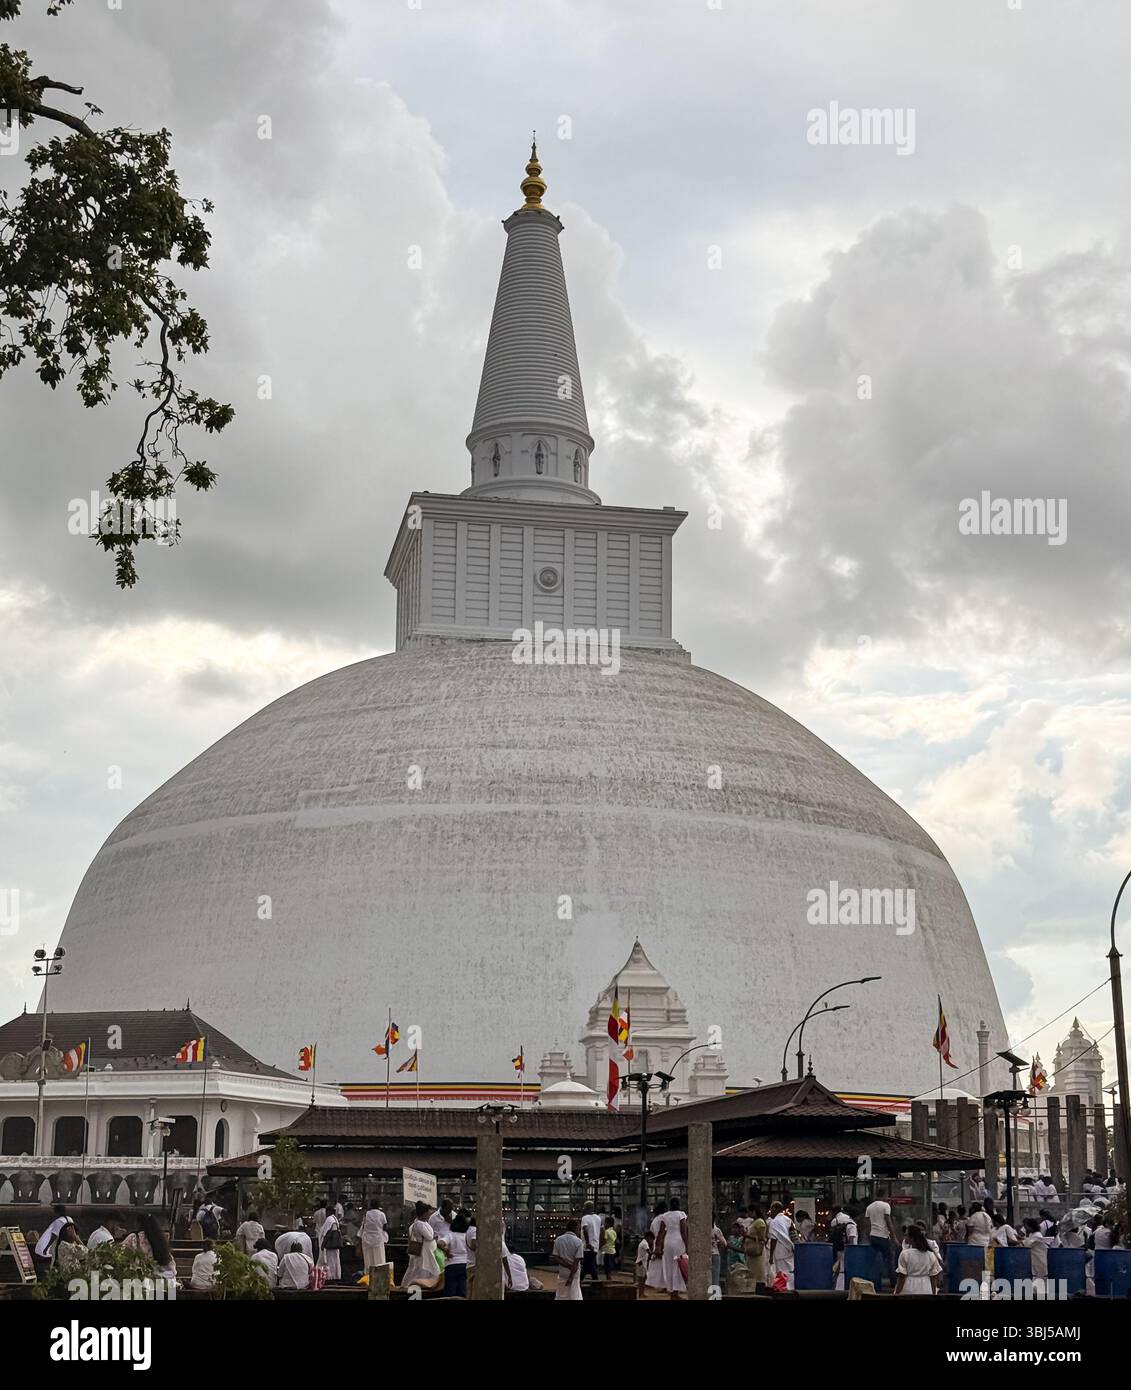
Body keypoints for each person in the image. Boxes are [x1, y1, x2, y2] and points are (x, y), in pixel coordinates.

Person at [895, 1225, 941, 1295]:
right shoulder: (931, 1255)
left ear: (912, 1238)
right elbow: (933, 1277)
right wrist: (934, 1293)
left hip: (909, 1289)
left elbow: (902, 1277)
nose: (905, 1237)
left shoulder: (905, 1254)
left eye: (906, 1235)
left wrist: (896, 1293)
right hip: (926, 1290)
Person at [655, 1202, 689, 1298]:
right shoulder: (681, 1214)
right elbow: (683, 1231)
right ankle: (675, 1292)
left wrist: (658, 1246)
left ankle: (671, 1291)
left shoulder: (665, 1215)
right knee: (678, 1266)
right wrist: (687, 1245)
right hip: (678, 1242)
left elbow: (661, 1232)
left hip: (668, 1242)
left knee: (669, 1266)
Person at [403, 1200, 440, 1287]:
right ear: (423, 1213)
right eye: (427, 1212)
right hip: (424, 1250)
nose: (428, 1214)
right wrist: (434, 1236)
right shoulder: (419, 1224)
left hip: (429, 1250)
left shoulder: (424, 1222)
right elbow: (429, 1237)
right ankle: (416, 1284)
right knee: (422, 1268)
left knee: (427, 1267)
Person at [864, 1193, 897, 1290]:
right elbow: (888, 1221)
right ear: (883, 1197)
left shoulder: (869, 1207)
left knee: (875, 1260)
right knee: (890, 1259)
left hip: (873, 1236)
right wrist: (893, 1236)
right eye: (887, 1197)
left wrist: (868, 1236)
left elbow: (867, 1224)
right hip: (883, 1236)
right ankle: (894, 1283)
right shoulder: (886, 1206)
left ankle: (874, 1283)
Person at [439, 1210, 471, 1297]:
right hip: (464, 1265)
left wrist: (447, 1251)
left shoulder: (450, 1235)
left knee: (450, 1292)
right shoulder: (466, 1236)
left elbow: (439, 1243)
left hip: (451, 1265)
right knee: (462, 1291)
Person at [552, 1218, 584, 1301]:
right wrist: (571, 1276)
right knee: (575, 1294)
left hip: (562, 1271)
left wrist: (566, 1265)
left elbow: (556, 1257)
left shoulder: (558, 1240)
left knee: (561, 1294)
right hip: (574, 1272)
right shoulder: (579, 1242)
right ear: (576, 1229)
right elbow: (576, 1261)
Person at [828, 1204, 857, 1291]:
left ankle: (837, 1287)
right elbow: (852, 1237)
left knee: (838, 1268)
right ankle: (845, 1287)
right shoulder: (851, 1222)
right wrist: (853, 1250)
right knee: (847, 1269)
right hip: (849, 1248)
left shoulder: (834, 1221)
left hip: (837, 1248)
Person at [33, 1204, 71, 1269]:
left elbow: (54, 1236)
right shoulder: (69, 1219)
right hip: (67, 1245)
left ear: (57, 1212)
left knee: (54, 1263)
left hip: (58, 1247)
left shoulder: (58, 1221)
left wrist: (46, 1248)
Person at [767, 1202, 795, 1291]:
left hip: (779, 1249)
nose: (770, 1212)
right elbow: (793, 1234)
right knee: (790, 1270)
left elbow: (773, 1239)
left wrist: (771, 1255)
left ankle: (784, 1288)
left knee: (781, 1271)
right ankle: (791, 1287)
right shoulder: (788, 1219)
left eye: (771, 1209)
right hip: (789, 1248)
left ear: (775, 1209)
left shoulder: (774, 1222)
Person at [359, 1199, 388, 1272]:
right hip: (378, 1239)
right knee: (379, 1258)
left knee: (368, 1259)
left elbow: (363, 1226)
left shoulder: (367, 1214)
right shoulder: (382, 1214)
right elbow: (385, 1227)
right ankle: (380, 1276)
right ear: (378, 1206)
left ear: (371, 1205)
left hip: (367, 1239)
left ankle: (368, 1276)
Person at [744, 1205, 769, 1289]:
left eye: (750, 1212)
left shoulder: (760, 1222)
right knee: (751, 1270)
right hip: (751, 1251)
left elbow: (762, 1238)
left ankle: (759, 1287)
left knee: (758, 1271)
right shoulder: (753, 1222)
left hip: (757, 1249)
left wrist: (748, 1236)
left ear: (754, 1211)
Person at [645, 1201, 667, 1293]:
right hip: (666, 1242)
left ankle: (662, 1285)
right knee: (665, 1266)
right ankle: (666, 1286)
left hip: (657, 1244)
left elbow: (652, 1234)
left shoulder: (655, 1220)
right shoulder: (666, 1218)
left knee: (658, 1266)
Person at [317, 1205, 341, 1282]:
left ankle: (329, 1277)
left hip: (329, 1246)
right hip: (332, 1246)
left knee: (329, 1261)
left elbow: (328, 1233)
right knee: (333, 1261)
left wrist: (323, 1244)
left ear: (329, 1211)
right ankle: (333, 1276)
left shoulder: (330, 1219)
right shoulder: (334, 1219)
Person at [580, 1202, 602, 1283]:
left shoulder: (585, 1218)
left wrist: (588, 1243)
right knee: (589, 1263)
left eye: (584, 1207)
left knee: (588, 1264)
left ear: (587, 1208)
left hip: (587, 1245)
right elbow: (601, 1231)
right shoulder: (598, 1218)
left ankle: (595, 1281)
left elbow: (585, 1229)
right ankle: (583, 1280)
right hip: (595, 1244)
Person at [635, 1230, 653, 1299]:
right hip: (641, 1263)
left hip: (642, 1263)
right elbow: (649, 1252)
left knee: (643, 1279)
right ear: (648, 1237)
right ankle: (640, 1293)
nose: (651, 1241)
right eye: (651, 1239)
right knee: (641, 1280)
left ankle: (641, 1293)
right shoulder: (645, 1243)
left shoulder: (643, 1242)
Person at [710, 1218, 726, 1288]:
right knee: (714, 1279)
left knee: (714, 1279)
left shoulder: (715, 1230)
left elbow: (724, 1244)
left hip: (712, 1255)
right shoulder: (716, 1230)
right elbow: (724, 1244)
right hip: (713, 1254)